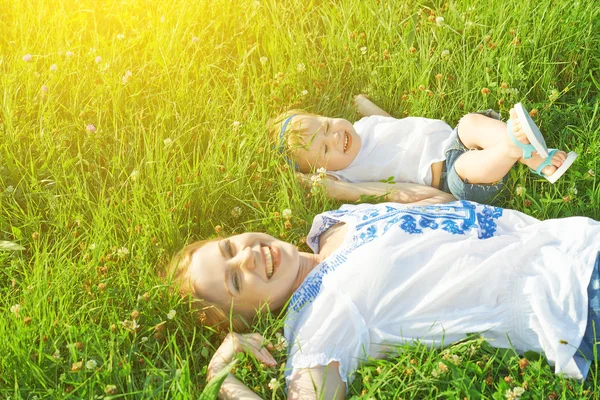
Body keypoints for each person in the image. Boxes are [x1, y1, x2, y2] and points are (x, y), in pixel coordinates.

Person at [170, 200, 600, 399]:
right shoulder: (316, 319)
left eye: (230, 247)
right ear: (247, 318)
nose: (247, 255)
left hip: (577, 237)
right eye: (235, 281)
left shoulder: (333, 222)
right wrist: (221, 377)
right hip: (573, 300)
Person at [267, 96, 578, 205]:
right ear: (327, 171)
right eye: (324, 149)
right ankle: (512, 147)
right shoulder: (349, 176)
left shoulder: (363, 127)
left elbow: (394, 127)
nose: (334, 137)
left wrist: (365, 105)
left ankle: (541, 160)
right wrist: (321, 187)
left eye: (325, 126)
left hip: (452, 140)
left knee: (470, 122)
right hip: (452, 180)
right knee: (467, 165)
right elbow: (392, 193)